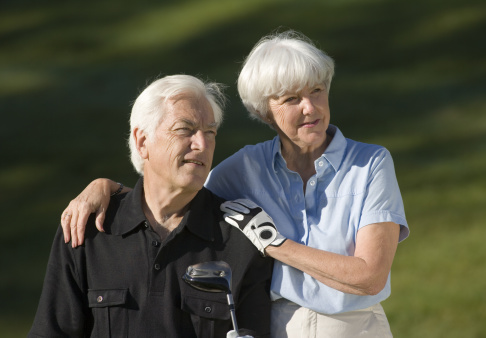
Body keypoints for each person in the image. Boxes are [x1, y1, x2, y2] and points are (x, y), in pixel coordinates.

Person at [60, 30, 409, 338]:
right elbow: (177, 193)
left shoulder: (371, 163)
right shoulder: (243, 169)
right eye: (291, 99)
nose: (311, 107)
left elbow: (370, 276)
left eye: (317, 90)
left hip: (357, 330)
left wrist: (274, 243)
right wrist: (107, 187)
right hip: (278, 327)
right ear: (264, 111)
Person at [29, 75, 272, 338]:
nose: (202, 144)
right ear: (142, 142)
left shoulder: (241, 240)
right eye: (184, 129)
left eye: (210, 132)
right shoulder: (88, 228)